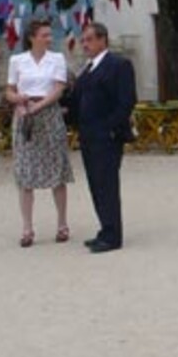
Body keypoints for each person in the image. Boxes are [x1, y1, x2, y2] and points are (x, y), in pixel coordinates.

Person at [68, 23, 136, 253]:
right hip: (88, 135)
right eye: (83, 41)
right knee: (96, 185)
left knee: (107, 184)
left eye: (89, 40)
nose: (85, 45)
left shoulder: (118, 65)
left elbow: (126, 101)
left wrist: (110, 128)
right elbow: (76, 100)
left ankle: (113, 235)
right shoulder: (87, 70)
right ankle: (105, 227)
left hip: (107, 136)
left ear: (102, 40)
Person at [4, 20, 73, 247]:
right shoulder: (17, 60)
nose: (49, 38)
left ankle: (62, 223)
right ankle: (27, 228)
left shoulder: (57, 59)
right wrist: (19, 101)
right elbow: (10, 90)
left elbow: (59, 87)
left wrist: (41, 104)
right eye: (44, 35)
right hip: (25, 114)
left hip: (49, 113)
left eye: (49, 35)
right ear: (32, 37)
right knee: (25, 173)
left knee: (56, 170)